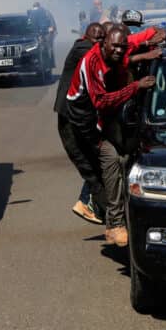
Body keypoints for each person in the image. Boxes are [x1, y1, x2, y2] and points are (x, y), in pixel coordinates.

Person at [66, 26, 156, 247]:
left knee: (126, 157)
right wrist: (135, 86)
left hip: (107, 118)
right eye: (114, 46)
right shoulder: (92, 62)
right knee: (110, 161)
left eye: (121, 47)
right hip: (82, 122)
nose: (118, 50)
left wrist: (153, 33)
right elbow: (101, 101)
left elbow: (131, 43)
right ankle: (114, 225)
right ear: (103, 43)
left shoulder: (119, 48)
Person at [54, 22, 107, 224]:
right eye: (97, 38)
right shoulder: (82, 48)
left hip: (81, 117)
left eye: (104, 38)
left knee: (97, 163)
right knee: (92, 168)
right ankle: (100, 212)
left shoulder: (91, 49)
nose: (101, 42)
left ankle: (90, 204)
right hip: (71, 119)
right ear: (87, 37)